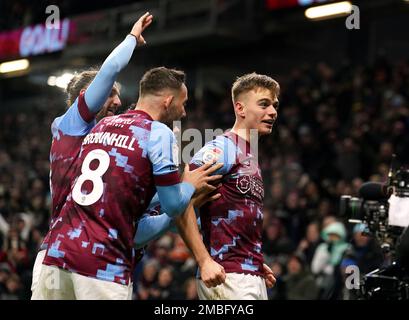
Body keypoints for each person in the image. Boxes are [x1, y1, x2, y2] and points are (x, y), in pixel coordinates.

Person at [31, 12, 153, 296]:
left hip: (77, 252)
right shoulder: (72, 123)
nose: (118, 102)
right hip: (64, 253)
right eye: (111, 94)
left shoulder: (105, 139)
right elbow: (109, 69)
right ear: (88, 93)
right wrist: (132, 37)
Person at [188, 73, 280, 300]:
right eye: (264, 104)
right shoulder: (222, 149)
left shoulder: (250, 154)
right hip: (227, 276)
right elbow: (180, 202)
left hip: (247, 273)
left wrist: (254, 260)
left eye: (275, 105)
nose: (273, 112)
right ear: (240, 109)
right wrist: (204, 260)